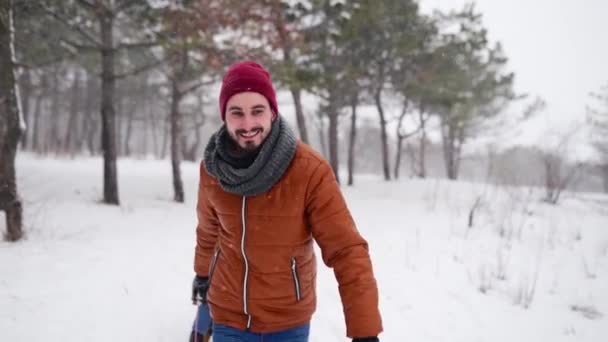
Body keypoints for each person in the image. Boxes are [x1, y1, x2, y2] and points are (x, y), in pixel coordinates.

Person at [190, 60, 382, 342]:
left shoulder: (307, 169)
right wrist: (203, 274)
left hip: (287, 320)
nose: (247, 124)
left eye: (257, 111)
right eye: (237, 113)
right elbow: (208, 231)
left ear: (272, 112)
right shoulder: (213, 168)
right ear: (224, 116)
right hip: (228, 313)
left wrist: (364, 332)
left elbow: (346, 250)